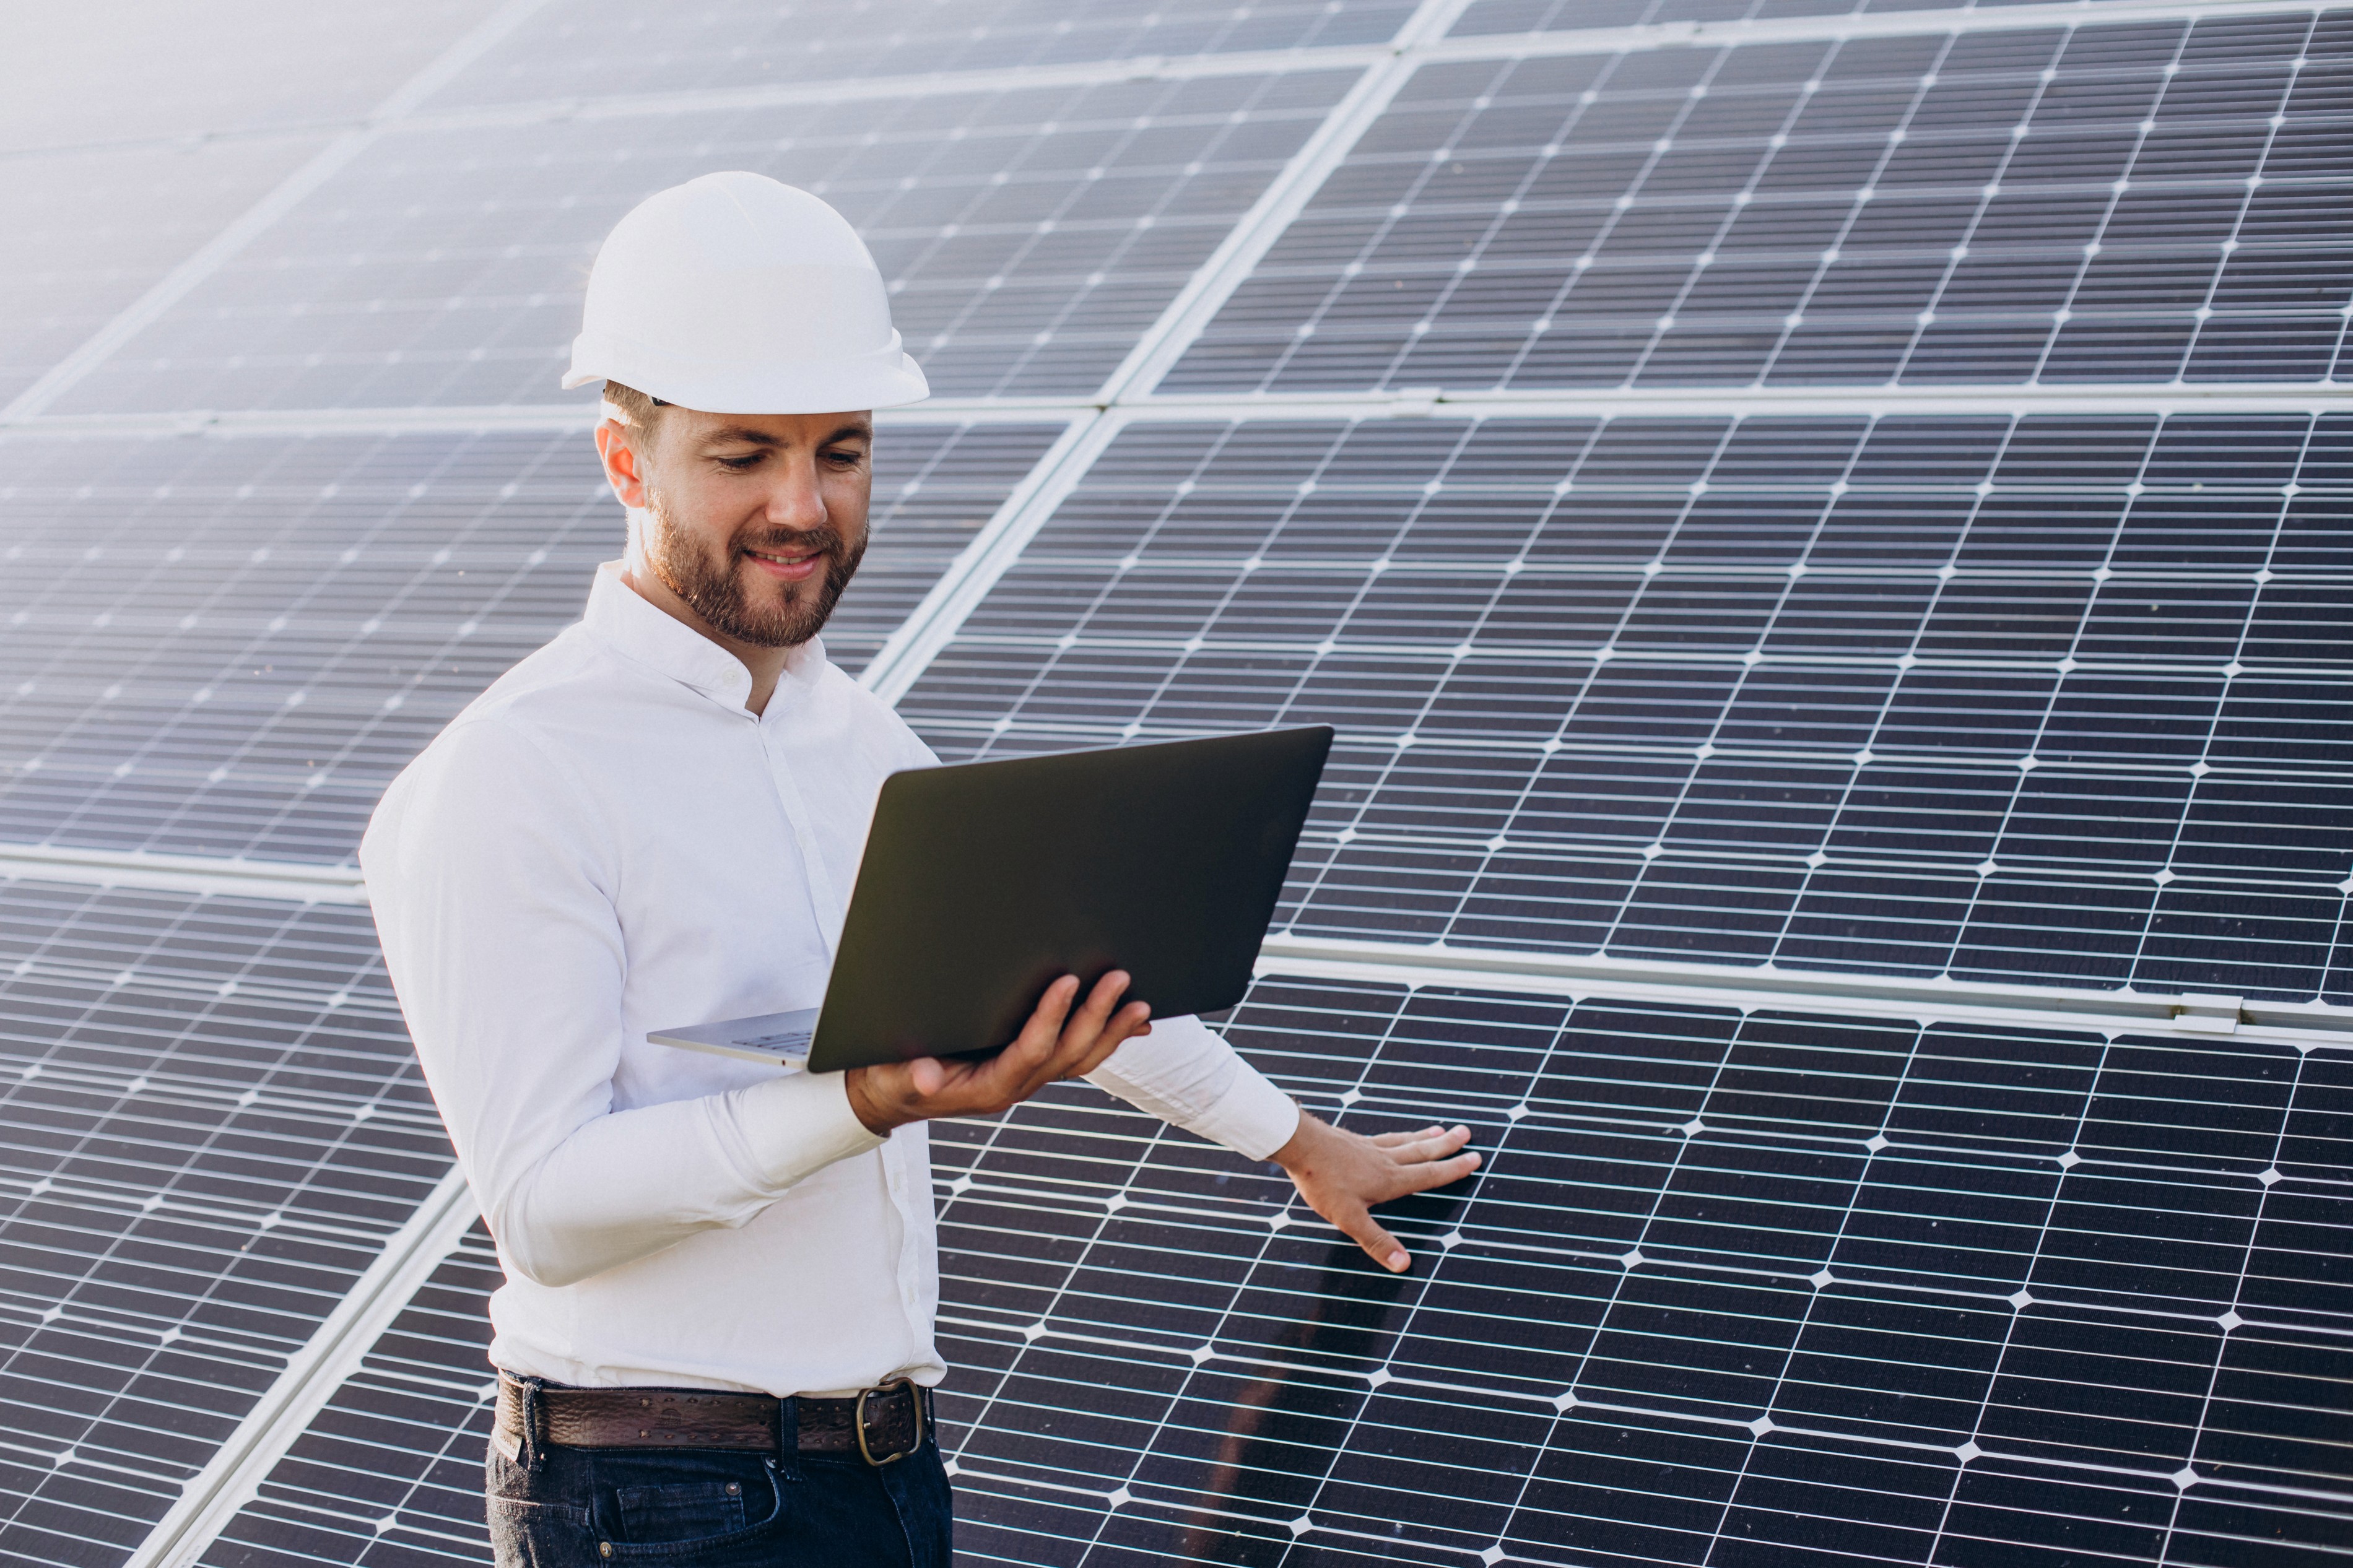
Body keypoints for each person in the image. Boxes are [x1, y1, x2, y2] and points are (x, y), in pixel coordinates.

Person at [360, 171, 1479, 1568]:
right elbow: (544, 1212)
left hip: (880, 1471)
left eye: (840, 448)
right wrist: (868, 1101)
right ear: (625, 461)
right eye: (742, 454)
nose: (801, 505)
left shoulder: (857, 736)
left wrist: (1303, 1146)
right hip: (657, 1498)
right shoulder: (511, 774)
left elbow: (1065, 973)